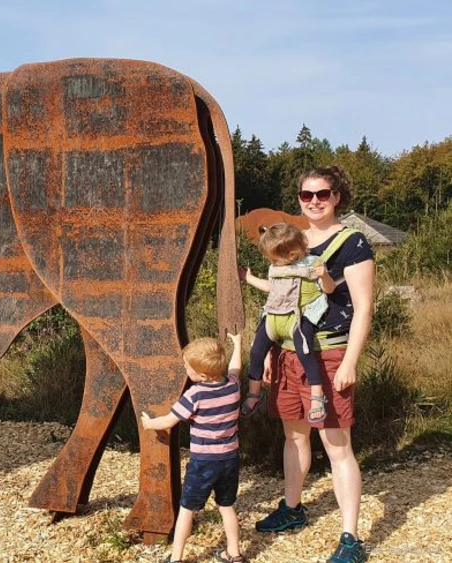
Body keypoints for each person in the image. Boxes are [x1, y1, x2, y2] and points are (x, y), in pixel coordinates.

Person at [242, 166, 374, 563]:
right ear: (299, 197)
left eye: (323, 193)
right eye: (306, 195)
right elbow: (277, 300)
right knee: (295, 436)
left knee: (337, 446)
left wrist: (350, 361)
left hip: (330, 354)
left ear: (337, 196)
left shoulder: (352, 243)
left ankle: (350, 537)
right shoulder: (292, 240)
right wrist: (266, 352)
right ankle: (293, 509)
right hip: (287, 355)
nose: (314, 201)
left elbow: (364, 307)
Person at [141, 333, 248, 563]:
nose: (185, 370)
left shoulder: (195, 395)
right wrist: (237, 344)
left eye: (186, 367)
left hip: (203, 462)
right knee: (227, 506)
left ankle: (176, 558)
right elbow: (236, 368)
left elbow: (169, 421)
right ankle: (234, 554)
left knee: (187, 509)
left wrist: (150, 423)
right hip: (229, 459)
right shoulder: (232, 386)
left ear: (201, 375)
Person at [241, 223, 337, 424]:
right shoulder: (276, 267)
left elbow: (328, 290)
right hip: (274, 316)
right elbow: (271, 287)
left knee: (305, 353)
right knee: (256, 352)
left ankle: (317, 397)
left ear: (292, 254)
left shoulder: (313, 264)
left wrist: (324, 275)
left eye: (274, 258)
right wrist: (249, 279)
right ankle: (254, 394)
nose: (272, 262)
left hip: (298, 317)